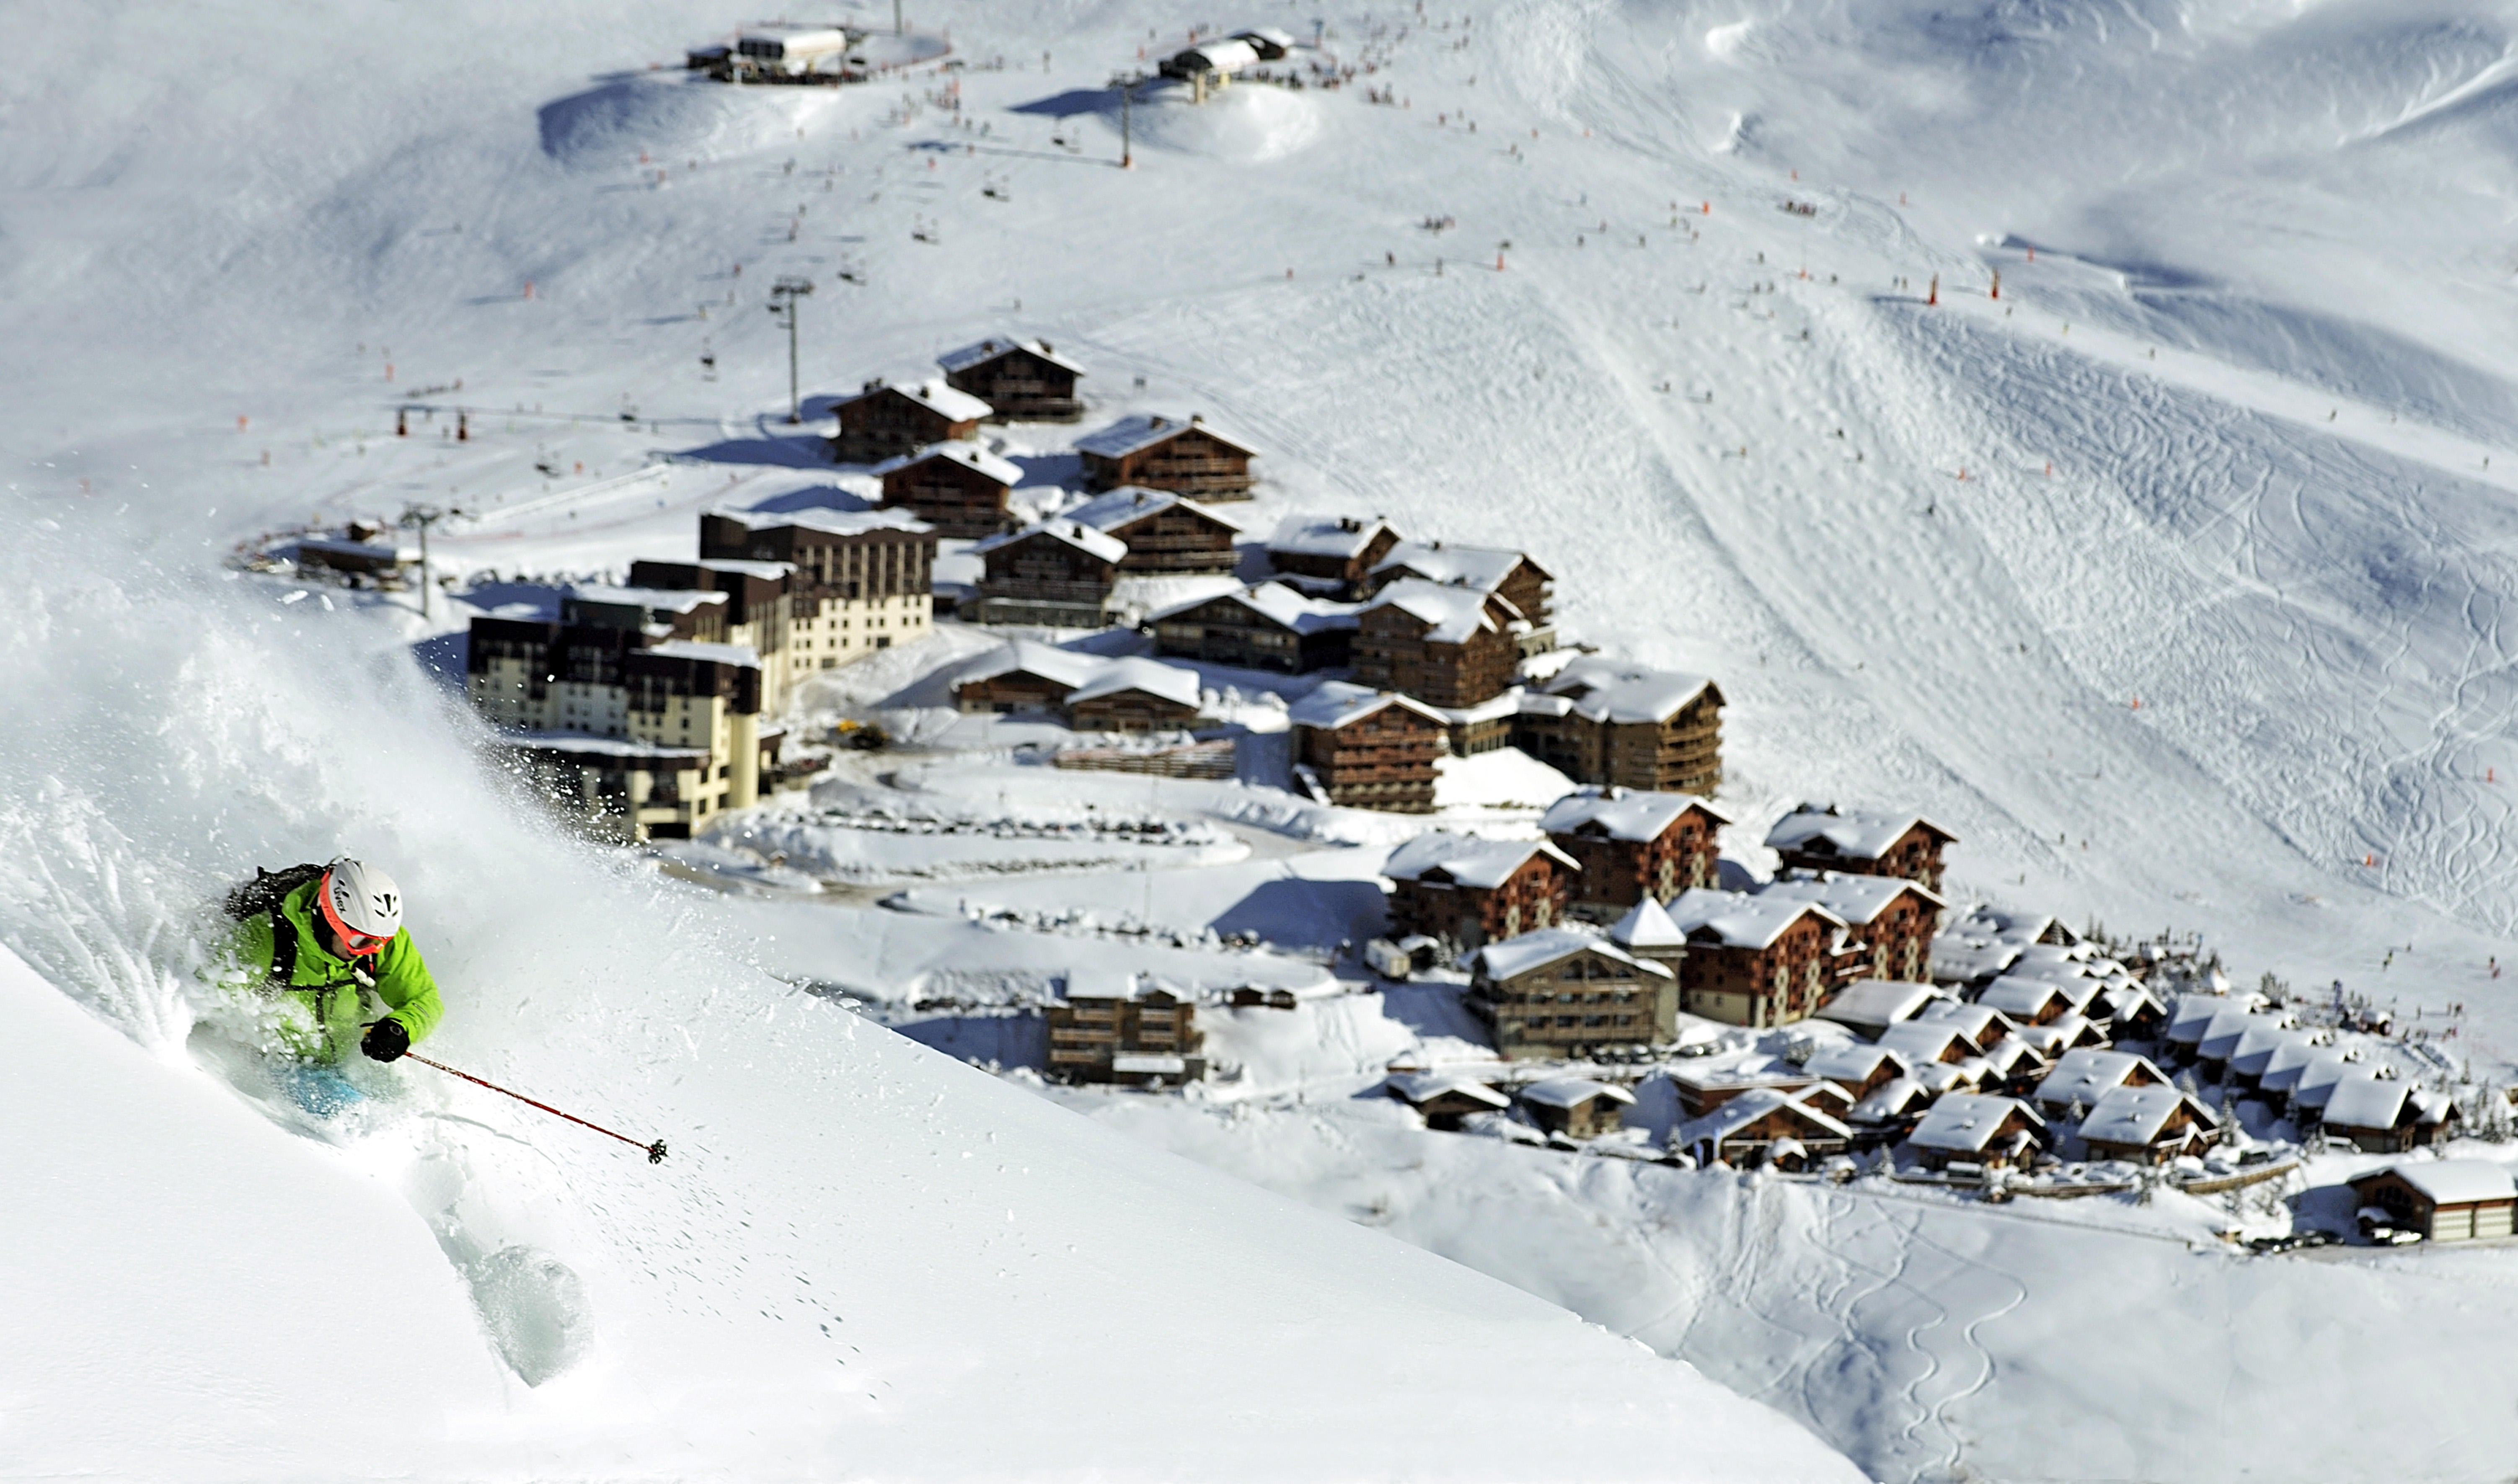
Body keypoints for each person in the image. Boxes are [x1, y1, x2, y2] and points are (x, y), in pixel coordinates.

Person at [220, 857, 444, 1074]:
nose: (372, 950)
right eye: (360, 941)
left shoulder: (379, 943)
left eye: (380, 942)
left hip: (344, 1070)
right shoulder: (263, 941)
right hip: (268, 1066)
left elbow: (426, 1001)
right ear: (330, 919)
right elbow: (204, 998)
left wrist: (401, 1029)